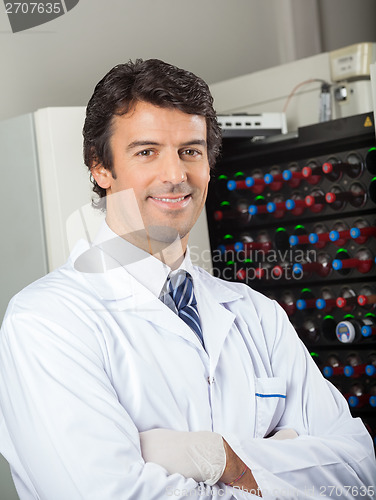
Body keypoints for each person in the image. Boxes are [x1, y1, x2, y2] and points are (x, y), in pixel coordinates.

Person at [0, 58, 375, 500]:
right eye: (146, 152)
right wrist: (280, 461)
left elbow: (361, 470)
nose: (176, 175)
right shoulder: (47, 322)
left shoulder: (256, 314)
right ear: (100, 167)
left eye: (190, 151)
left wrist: (219, 458)